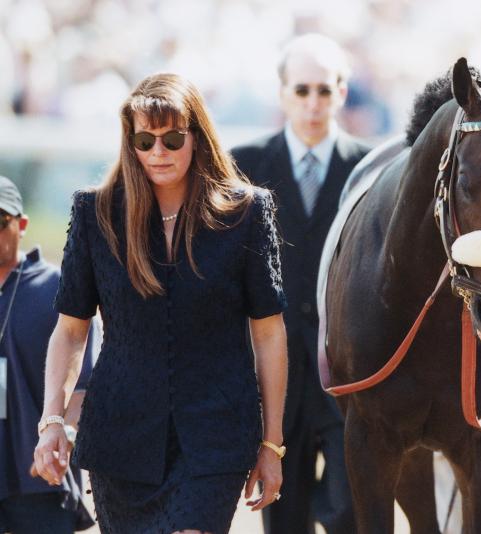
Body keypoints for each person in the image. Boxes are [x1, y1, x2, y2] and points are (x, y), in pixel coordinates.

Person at [32, 72, 288, 534]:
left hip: (217, 432)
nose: (158, 152)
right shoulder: (95, 214)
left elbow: (268, 332)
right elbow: (71, 329)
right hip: (120, 435)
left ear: (197, 137)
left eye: (172, 138)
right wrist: (52, 418)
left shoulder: (247, 213)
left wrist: (272, 444)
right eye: (144, 141)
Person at [231, 33, 370, 534]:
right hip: (272, 381)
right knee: (282, 520)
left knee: (352, 512)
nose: (314, 103)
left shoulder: (373, 170)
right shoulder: (239, 166)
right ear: (283, 92)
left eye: (325, 90)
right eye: (302, 89)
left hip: (348, 378)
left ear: (343, 92)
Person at [0, 176, 99, 533]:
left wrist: (66, 434)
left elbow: (84, 382)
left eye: (0, 221)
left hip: (40, 481)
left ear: (21, 224)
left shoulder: (57, 288)